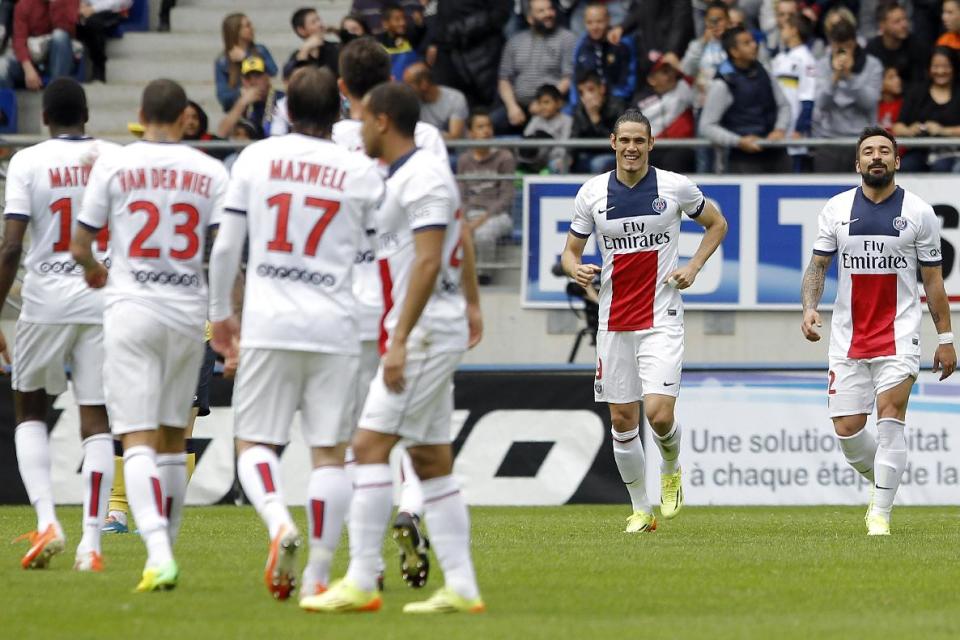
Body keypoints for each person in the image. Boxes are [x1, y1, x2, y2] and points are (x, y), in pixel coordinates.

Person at [300, 81, 484, 616]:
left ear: (381, 120)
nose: (356, 130)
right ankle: (463, 587)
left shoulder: (424, 176)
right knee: (429, 459)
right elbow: (458, 239)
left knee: (368, 447)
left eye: (361, 120)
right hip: (430, 327)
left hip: (424, 332)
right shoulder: (400, 176)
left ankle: (360, 580)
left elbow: (429, 260)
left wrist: (398, 338)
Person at [208, 66, 384, 602]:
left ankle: (279, 522)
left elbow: (223, 249)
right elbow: (377, 257)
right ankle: (319, 576)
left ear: (285, 111)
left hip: (268, 321)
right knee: (330, 454)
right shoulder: (359, 172)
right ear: (337, 111)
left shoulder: (256, 158)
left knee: (254, 443)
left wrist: (221, 315)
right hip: (335, 324)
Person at [70, 78, 229, 592]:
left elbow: (79, 243)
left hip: (131, 309)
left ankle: (158, 553)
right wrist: (229, 315)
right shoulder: (209, 171)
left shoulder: (113, 163)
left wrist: (95, 269)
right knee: (172, 436)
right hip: (187, 313)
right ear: (186, 116)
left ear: (140, 112)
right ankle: (168, 545)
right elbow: (224, 250)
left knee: (134, 436)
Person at [560, 109, 728, 534]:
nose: (632, 148)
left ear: (651, 145)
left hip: (661, 315)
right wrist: (574, 268)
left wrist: (693, 267)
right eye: (625, 140)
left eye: (640, 141)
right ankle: (640, 509)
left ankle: (670, 467)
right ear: (613, 144)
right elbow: (570, 252)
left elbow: (717, 223)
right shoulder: (592, 194)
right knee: (621, 419)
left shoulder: (674, 187)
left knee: (657, 414)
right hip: (613, 320)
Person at [332, 36, 448, 590]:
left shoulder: (331, 138)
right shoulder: (423, 137)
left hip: (345, 303)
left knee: (359, 439)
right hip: (404, 303)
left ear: (341, 87)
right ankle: (409, 507)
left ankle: (366, 566)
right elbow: (444, 218)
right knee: (413, 436)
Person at [800, 126, 956, 536]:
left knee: (890, 419)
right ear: (857, 163)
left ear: (896, 161)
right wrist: (810, 308)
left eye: (884, 151)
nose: (876, 157)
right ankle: (886, 482)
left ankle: (879, 515)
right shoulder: (835, 209)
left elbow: (934, 282)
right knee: (848, 432)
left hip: (899, 335)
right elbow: (818, 268)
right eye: (868, 151)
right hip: (847, 338)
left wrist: (946, 339)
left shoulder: (919, 212)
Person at [1, 78, 117, 571]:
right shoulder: (114, 157)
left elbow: (10, 247)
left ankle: (48, 518)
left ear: (45, 118)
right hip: (101, 300)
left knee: (29, 410)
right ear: (87, 115)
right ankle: (92, 544)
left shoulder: (27, 161)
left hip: (45, 302)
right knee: (97, 421)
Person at [699, 25, 791, 174]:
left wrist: (780, 129)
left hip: (777, 153)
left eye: (753, 41)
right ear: (734, 52)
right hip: (744, 160)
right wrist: (739, 142)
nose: (754, 45)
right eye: (747, 43)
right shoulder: (723, 83)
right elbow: (707, 126)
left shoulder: (764, 72)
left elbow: (784, 106)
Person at [495, 0, 578, 134]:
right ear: (530, 18)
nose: (548, 14)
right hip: (519, 106)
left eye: (550, 9)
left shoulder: (567, 38)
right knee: (489, 124)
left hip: (552, 106)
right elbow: (504, 79)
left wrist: (543, 103)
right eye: (541, 11)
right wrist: (512, 106)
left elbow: (568, 77)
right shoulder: (515, 41)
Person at [811, 18, 882, 172]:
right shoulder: (822, 65)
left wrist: (850, 77)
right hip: (829, 142)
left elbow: (869, 103)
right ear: (831, 44)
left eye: (847, 47)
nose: (842, 52)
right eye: (838, 47)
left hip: (863, 143)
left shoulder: (873, 65)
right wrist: (835, 77)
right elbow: (821, 104)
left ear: (854, 43)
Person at [456, 108, 517, 284]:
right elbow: (461, 195)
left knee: (483, 234)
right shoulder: (464, 160)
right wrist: (465, 219)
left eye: (489, 126)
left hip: (498, 215)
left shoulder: (504, 157)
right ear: (471, 133)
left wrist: (481, 219)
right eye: (480, 127)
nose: (486, 130)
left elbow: (506, 197)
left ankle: (483, 277)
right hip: (469, 213)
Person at [424, 0, 510, 108]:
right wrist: (434, 40)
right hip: (452, 56)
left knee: (491, 108)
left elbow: (500, 13)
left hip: (485, 53)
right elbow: (442, 17)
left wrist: (461, 28)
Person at [893, 47, 960, 173]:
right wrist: (909, 130)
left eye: (946, 66)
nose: (940, 71)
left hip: (953, 152)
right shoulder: (916, 92)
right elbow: (897, 126)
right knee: (906, 166)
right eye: (935, 66)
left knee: (941, 167)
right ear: (929, 68)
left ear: (954, 68)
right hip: (920, 151)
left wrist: (943, 131)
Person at [635, 56, 697, 174]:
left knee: (673, 160)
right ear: (651, 79)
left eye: (671, 72)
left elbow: (693, 68)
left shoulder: (684, 89)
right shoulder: (639, 101)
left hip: (681, 148)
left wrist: (679, 66)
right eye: (664, 72)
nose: (669, 76)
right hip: (652, 149)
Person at [0, 0, 80, 91]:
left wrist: (56, 4)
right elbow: (19, 40)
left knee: (60, 35)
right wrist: (28, 68)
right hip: (32, 58)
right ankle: (8, 103)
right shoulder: (24, 4)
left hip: (59, 60)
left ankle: (56, 93)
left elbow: (69, 31)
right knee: (1, 66)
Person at [569, 2, 636, 110]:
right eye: (589, 23)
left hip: (618, 104)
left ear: (608, 20)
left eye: (599, 22)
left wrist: (604, 100)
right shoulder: (581, 45)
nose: (594, 27)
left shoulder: (622, 43)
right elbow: (575, 81)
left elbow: (629, 83)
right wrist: (578, 104)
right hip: (587, 103)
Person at [771, 13, 816, 172]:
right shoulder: (780, 58)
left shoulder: (805, 59)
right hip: (777, 127)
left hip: (794, 130)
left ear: (794, 31)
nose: (781, 32)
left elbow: (808, 98)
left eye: (784, 28)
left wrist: (800, 128)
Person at [215, 13, 277, 111]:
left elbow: (273, 71)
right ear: (236, 31)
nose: (252, 28)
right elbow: (223, 96)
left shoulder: (260, 50)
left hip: (264, 106)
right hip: (239, 110)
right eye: (248, 26)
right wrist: (241, 93)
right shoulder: (222, 61)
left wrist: (247, 58)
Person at [571, 70, 626, 174]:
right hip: (588, 154)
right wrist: (568, 158)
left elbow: (617, 144)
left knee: (597, 164)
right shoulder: (580, 110)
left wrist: (595, 118)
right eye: (581, 93)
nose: (586, 96)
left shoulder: (617, 107)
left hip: (613, 155)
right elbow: (573, 140)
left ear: (602, 89)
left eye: (591, 90)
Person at [217, 56, 284, 140]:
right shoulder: (239, 100)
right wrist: (242, 103)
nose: (253, 82)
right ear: (242, 80)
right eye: (248, 78)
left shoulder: (281, 98)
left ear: (267, 77)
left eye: (257, 76)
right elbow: (221, 133)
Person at [681, 1, 730, 110]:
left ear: (728, 20)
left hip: (731, 106)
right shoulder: (697, 45)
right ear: (706, 21)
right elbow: (686, 70)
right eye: (711, 20)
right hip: (704, 106)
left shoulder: (735, 44)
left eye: (720, 19)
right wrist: (703, 42)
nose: (715, 23)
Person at [865, 2, 930, 86]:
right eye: (897, 22)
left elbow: (919, 83)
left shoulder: (916, 45)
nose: (904, 25)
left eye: (905, 19)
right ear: (882, 25)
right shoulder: (872, 49)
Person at [403, 62, 468, 140]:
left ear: (424, 84)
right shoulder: (413, 102)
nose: (406, 89)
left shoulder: (455, 99)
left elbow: (454, 136)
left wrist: (424, 135)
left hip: (454, 150)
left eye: (409, 85)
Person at [74, 0, 132, 83]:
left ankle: (99, 69)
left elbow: (124, 2)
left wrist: (94, 9)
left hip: (111, 10)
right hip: (83, 9)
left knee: (93, 23)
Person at [521, 83, 573, 173]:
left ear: (559, 103)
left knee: (558, 164)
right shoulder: (536, 119)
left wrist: (548, 154)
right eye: (540, 103)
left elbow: (564, 145)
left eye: (546, 102)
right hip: (536, 158)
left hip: (556, 158)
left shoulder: (567, 121)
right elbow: (527, 138)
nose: (543, 107)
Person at [282, 7, 339, 81]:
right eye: (314, 22)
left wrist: (336, 31)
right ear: (301, 30)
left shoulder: (335, 48)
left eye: (319, 20)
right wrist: (305, 50)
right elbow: (290, 79)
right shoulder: (297, 56)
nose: (320, 24)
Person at [377, 3, 420, 80]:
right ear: (385, 24)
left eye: (404, 18)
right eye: (397, 19)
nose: (402, 23)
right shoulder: (378, 43)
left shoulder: (411, 36)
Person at [877, 66, 903, 133]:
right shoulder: (874, 106)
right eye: (891, 77)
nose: (898, 80)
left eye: (897, 76)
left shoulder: (904, 104)